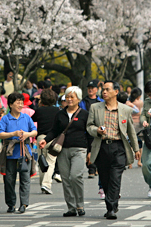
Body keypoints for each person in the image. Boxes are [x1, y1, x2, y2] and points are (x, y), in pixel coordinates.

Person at [87, 81, 140, 220]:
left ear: (116, 92)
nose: (104, 92)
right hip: (102, 147)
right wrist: (96, 130)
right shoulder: (95, 108)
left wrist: (136, 149)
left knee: (115, 178)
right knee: (104, 179)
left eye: (107, 90)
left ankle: (111, 208)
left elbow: (131, 130)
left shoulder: (125, 109)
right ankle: (112, 203)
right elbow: (89, 126)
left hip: (119, 147)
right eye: (103, 90)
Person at [39, 86, 90, 217]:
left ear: (78, 99)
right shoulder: (60, 114)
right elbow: (54, 131)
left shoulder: (84, 114)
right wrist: (45, 140)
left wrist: (90, 151)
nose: (69, 99)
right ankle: (71, 208)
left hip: (79, 149)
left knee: (75, 176)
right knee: (66, 179)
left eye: (72, 97)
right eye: (67, 96)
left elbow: (90, 134)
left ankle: (80, 205)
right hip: (62, 150)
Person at [0, 92, 37, 214]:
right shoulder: (5, 119)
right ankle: (11, 204)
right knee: (9, 180)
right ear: (10, 104)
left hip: (24, 153)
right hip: (10, 154)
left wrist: (27, 134)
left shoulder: (26, 117)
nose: (20, 105)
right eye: (18, 102)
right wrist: (13, 134)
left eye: (21, 102)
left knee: (25, 179)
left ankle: (24, 204)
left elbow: (34, 131)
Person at [32, 90, 60, 195]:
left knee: (42, 161)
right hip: (54, 138)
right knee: (51, 161)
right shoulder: (58, 110)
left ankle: (42, 183)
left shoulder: (40, 110)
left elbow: (32, 119)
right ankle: (46, 184)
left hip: (41, 138)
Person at [78, 79, 104, 180]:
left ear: (96, 89)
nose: (90, 90)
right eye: (89, 88)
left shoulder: (101, 101)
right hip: (86, 129)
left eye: (92, 88)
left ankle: (96, 167)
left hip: (99, 128)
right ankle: (91, 169)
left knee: (98, 149)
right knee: (89, 149)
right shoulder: (83, 102)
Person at [130, 87, 144, 167]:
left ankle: (130, 162)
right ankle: (139, 161)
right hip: (139, 123)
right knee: (140, 143)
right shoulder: (140, 102)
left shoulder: (129, 102)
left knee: (131, 143)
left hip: (131, 123)